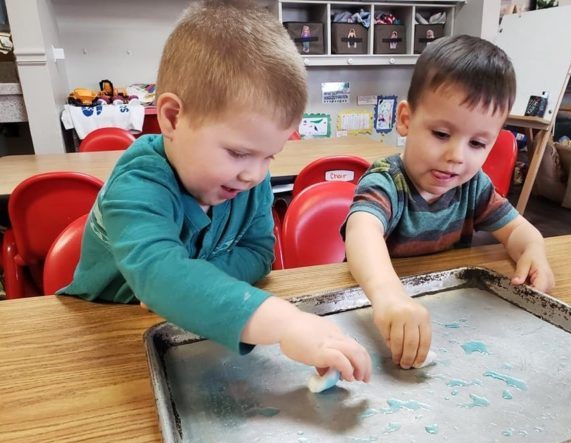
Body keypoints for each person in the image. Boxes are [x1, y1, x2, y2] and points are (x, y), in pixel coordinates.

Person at [62, 0, 371, 385]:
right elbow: (160, 273)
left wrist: (183, 286)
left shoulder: (251, 178)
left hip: (186, 337)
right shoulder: (138, 182)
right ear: (173, 118)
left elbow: (258, 253)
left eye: (269, 155)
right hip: (101, 339)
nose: (255, 175)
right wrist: (284, 322)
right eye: (239, 152)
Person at [343, 35, 554, 371]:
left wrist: (534, 250)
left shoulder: (473, 187)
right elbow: (361, 232)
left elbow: (517, 230)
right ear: (406, 120)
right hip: (370, 311)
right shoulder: (387, 182)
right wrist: (389, 295)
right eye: (441, 134)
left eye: (477, 143)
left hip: (446, 315)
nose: (456, 157)